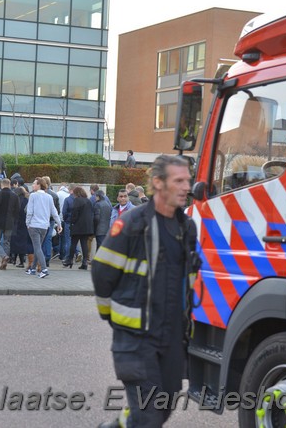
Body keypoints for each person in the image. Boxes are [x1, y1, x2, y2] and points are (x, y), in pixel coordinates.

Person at [92, 155, 197, 428]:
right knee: (149, 416)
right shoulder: (132, 224)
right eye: (179, 181)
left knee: (162, 407)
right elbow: (102, 272)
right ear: (158, 183)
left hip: (173, 338)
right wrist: (111, 315)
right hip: (138, 340)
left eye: (188, 180)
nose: (187, 186)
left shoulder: (187, 228)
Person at [25, 177, 61, 278]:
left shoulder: (33, 196)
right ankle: (32, 269)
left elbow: (29, 211)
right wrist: (59, 223)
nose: (32, 185)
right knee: (38, 247)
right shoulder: (49, 197)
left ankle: (44, 269)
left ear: (39, 185)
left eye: (34, 184)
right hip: (45, 226)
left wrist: (27, 223)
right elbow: (54, 211)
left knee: (37, 248)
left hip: (34, 225)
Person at [62, 186, 93, 270]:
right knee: (84, 245)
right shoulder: (88, 201)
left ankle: (69, 260)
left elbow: (75, 214)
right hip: (86, 227)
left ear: (76, 193)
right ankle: (84, 263)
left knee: (73, 243)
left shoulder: (77, 200)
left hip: (77, 226)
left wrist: (72, 222)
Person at [0, 178, 20, 270]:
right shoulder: (15, 196)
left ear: (1, 185)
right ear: (10, 185)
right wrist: (13, 219)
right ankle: (5, 261)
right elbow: (17, 210)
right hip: (9, 222)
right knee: (7, 242)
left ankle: (3, 256)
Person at [9, 187, 32, 268]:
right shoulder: (26, 201)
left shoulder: (14, 201)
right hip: (24, 224)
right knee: (22, 243)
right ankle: (22, 261)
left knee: (14, 242)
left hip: (15, 224)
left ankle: (13, 259)